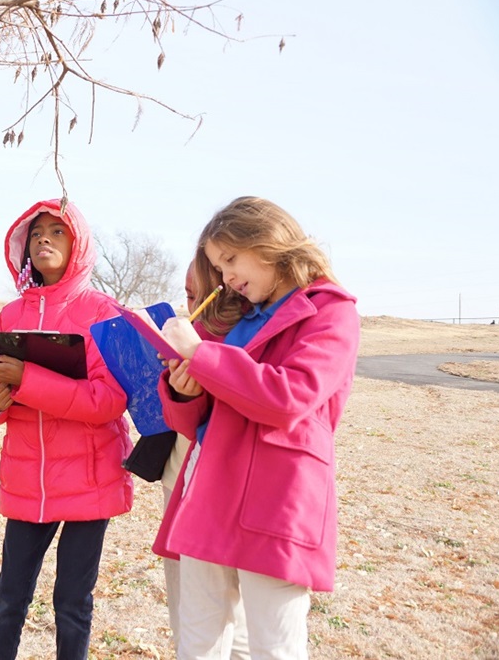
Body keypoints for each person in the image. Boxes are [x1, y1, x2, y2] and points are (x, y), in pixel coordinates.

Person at [155, 196, 360, 660]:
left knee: (275, 645)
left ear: (269, 243)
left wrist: (202, 355)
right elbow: (202, 419)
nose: (225, 277)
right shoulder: (236, 317)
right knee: (198, 641)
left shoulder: (332, 312)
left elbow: (289, 397)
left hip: (277, 497)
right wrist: (186, 389)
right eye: (216, 266)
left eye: (230, 259)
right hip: (209, 486)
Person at [0, 198, 131, 660]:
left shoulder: (103, 312)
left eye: (58, 231)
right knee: (7, 603)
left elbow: (108, 401)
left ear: (78, 245)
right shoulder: (11, 316)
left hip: (88, 481)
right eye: (36, 232)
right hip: (27, 483)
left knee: (72, 605)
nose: (44, 239)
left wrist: (27, 381)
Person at [159, 264, 249, 659]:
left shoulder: (251, 334)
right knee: (191, 617)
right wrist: (179, 393)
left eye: (198, 295)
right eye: (187, 294)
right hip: (180, 476)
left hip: (237, 486)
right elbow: (181, 423)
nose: (189, 304)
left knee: (240, 617)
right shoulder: (187, 337)